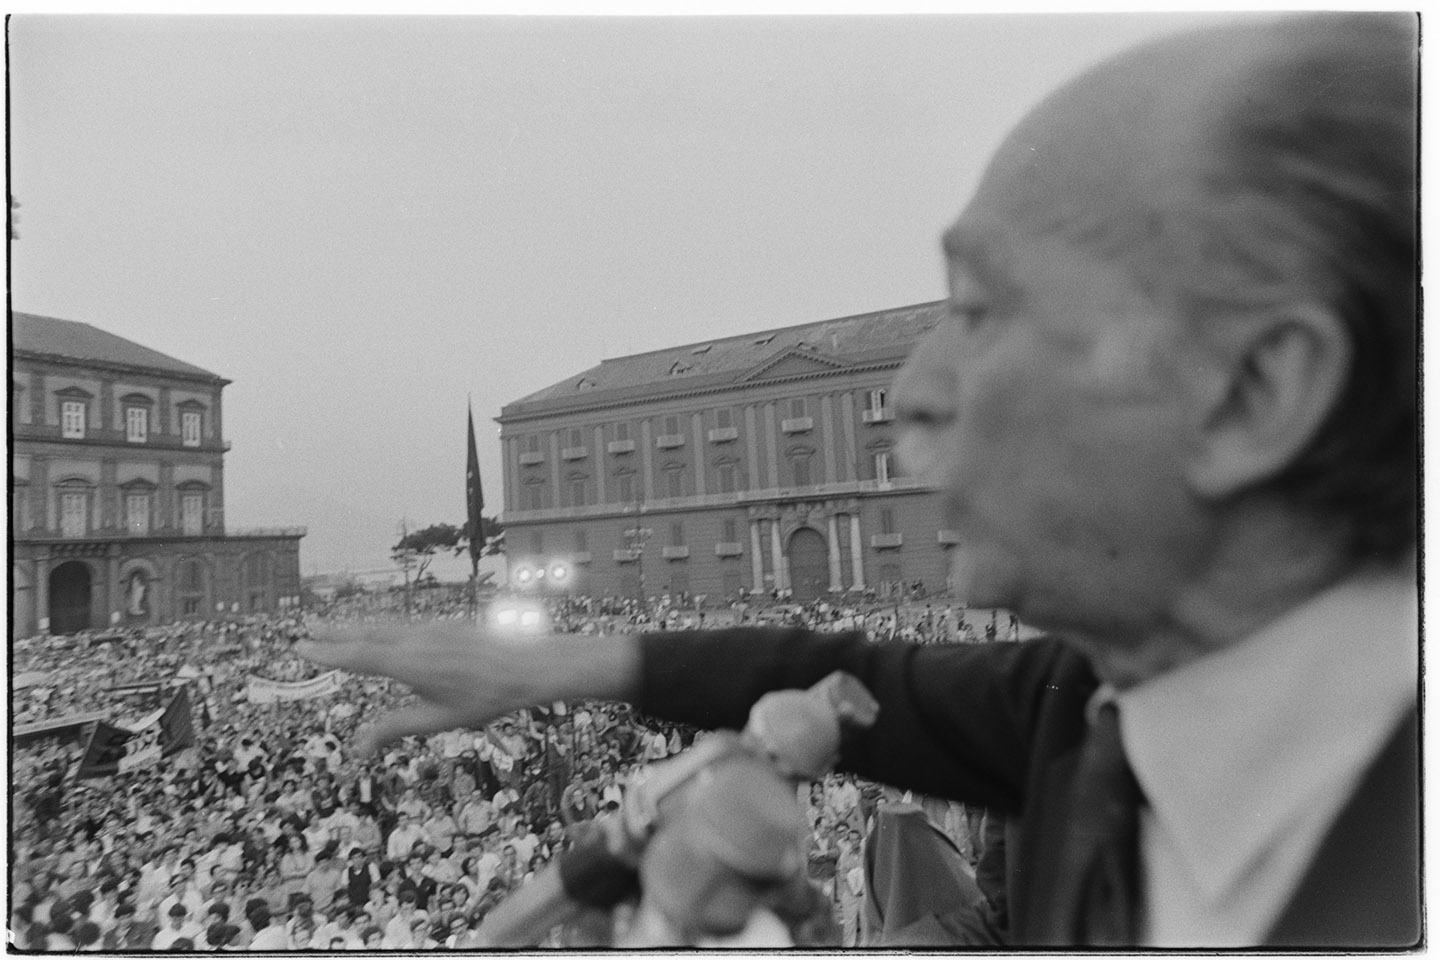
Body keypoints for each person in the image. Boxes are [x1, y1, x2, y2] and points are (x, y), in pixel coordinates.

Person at [302, 13, 1417, 949]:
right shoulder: (1087, 708)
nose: (912, 394)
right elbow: (842, 675)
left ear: (1254, 391)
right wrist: (552, 665)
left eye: (981, 311)